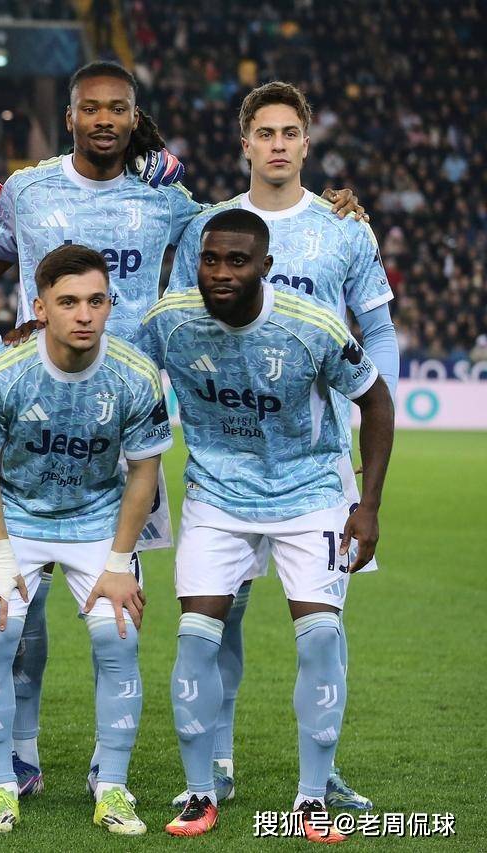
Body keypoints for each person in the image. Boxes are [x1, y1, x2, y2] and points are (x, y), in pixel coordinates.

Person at [0, 60, 365, 800]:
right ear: (69, 116)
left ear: (134, 116)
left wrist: (332, 209)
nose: (103, 119)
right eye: (90, 108)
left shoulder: (169, 200)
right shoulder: (25, 190)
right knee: (20, 608)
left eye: (117, 108)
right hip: (36, 407)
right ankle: (21, 755)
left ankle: (113, 763)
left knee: (116, 608)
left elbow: (245, 234)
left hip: (127, 422)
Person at [163, 81, 398, 811]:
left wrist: (369, 410)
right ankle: (219, 761)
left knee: (323, 621)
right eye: (264, 133)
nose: (277, 144)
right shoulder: (208, 227)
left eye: (288, 132)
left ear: (306, 142)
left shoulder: (342, 228)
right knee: (220, 614)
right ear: (245, 143)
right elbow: (181, 321)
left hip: (315, 452)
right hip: (227, 452)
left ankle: (321, 773)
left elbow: (377, 328)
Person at [0, 244, 171, 835]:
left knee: (118, 637)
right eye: (69, 302)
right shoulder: (5, 371)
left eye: (96, 301)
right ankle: (2, 786)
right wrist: (0, 556)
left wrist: (120, 562)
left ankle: (113, 786)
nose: (84, 314)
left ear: (110, 306)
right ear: (40, 307)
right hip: (15, 520)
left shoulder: (134, 374)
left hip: (96, 521)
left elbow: (144, 472)